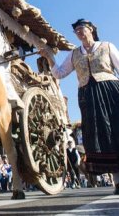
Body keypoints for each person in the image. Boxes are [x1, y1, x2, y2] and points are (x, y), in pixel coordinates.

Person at [40, 18, 119, 194]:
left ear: (91, 29)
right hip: (87, 96)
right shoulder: (75, 54)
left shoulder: (107, 46)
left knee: (115, 130)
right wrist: (49, 58)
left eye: (82, 29)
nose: (79, 33)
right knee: (99, 134)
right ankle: (117, 180)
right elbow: (60, 73)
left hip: (110, 91)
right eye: (76, 31)